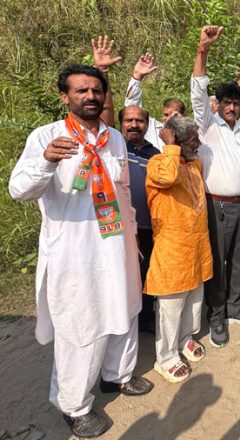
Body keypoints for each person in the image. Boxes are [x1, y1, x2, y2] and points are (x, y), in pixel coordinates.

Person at [9, 63, 152, 438]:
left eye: (96, 90)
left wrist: (132, 235)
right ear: (65, 97)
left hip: (118, 245)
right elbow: (18, 189)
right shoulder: (47, 137)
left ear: (104, 95)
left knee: (125, 309)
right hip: (75, 253)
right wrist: (46, 161)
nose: (90, 96)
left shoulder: (115, 140)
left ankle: (117, 376)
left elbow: (122, 192)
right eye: (81, 91)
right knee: (81, 323)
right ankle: (74, 405)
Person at [191, 25, 240, 349]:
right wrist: (203, 49)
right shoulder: (207, 125)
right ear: (217, 104)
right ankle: (216, 316)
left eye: (236, 102)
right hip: (216, 205)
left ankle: (235, 308)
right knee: (218, 263)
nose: (232, 107)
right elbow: (197, 89)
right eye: (227, 102)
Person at [144, 117, 213, 383]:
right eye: (192, 140)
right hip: (173, 247)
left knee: (195, 298)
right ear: (175, 140)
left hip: (196, 245)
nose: (197, 144)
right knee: (170, 306)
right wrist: (170, 146)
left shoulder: (195, 163)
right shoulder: (159, 163)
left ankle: (186, 339)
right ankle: (166, 357)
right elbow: (169, 177)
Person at [120, 105, 160, 334]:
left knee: (145, 274)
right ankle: (122, 322)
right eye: (129, 120)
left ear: (147, 125)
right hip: (119, 227)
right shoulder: (114, 148)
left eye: (140, 120)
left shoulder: (155, 154)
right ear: (122, 123)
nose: (134, 124)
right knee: (121, 275)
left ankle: (144, 319)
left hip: (147, 225)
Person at [124, 52, 186, 150]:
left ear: (183, 116)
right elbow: (132, 108)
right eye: (166, 115)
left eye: (175, 115)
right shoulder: (152, 128)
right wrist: (137, 77)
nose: (169, 118)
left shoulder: (189, 135)